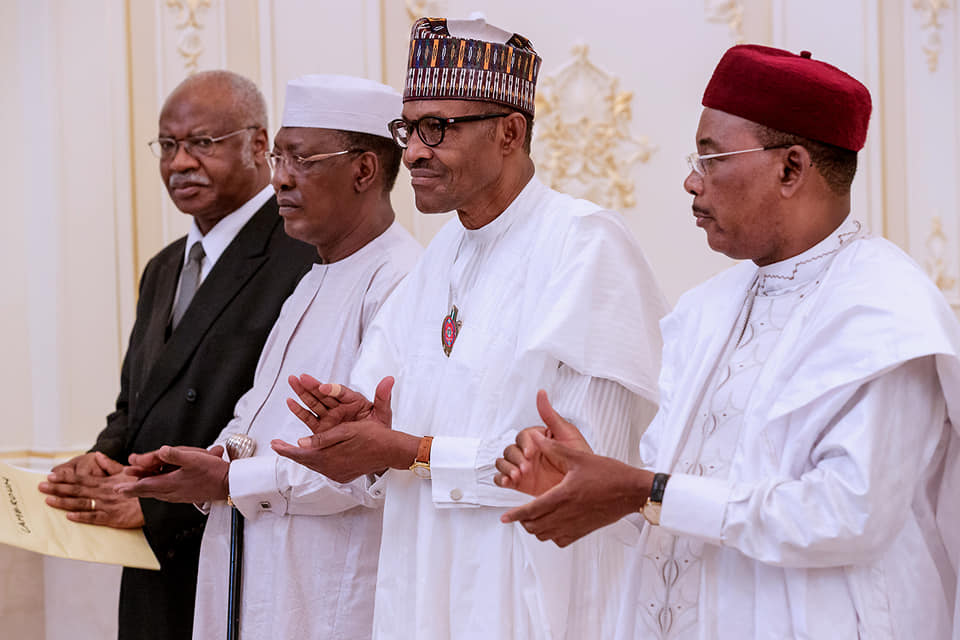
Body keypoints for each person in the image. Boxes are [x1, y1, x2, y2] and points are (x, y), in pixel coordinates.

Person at [497, 45, 960, 639]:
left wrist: (644, 488)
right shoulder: (706, 310)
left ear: (791, 169)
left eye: (711, 158)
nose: (692, 180)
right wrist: (586, 487)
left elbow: (848, 516)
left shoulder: (886, 314)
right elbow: (672, 515)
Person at [272, 17, 667, 640]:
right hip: (422, 591)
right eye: (407, 129)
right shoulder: (441, 255)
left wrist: (411, 452)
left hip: (538, 597)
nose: (413, 152)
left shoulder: (585, 245)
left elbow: (576, 471)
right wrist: (358, 432)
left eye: (438, 128)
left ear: (510, 132)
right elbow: (386, 428)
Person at [116, 74, 422, 639]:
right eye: (278, 157)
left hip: (323, 594)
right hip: (252, 579)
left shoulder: (400, 282)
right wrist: (195, 462)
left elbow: (360, 468)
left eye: (301, 160)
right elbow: (254, 420)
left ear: (363, 171)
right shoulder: (312, 279)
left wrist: (231, 479)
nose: (279, 178)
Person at [37, 71, 317, 640]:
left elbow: (282, 430)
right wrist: (100, 457)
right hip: (147, 557)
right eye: (168, 145)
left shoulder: (301, 255)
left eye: (203, 144)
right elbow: (135, 405)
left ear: (258, 145)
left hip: (238, 548)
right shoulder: (164, 267)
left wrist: (161, 507)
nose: (180, 162)